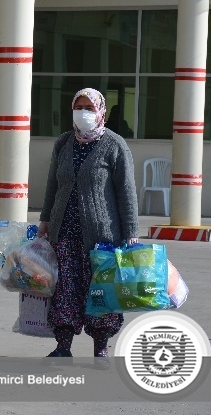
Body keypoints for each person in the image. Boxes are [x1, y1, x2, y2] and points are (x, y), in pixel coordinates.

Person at [37, 88, 139, 369]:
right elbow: (52, 185)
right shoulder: (63, 143)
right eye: (78, 106)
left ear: (101, 111)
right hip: (65, 231)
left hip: (102, 236)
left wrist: (131, 232)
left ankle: (101, 349)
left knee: (101, 292)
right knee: (65, 290)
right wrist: (45, 220)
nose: (83, 112)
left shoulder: (115, 145)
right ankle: (63, 347)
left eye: (89, 107)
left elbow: (126, 192)